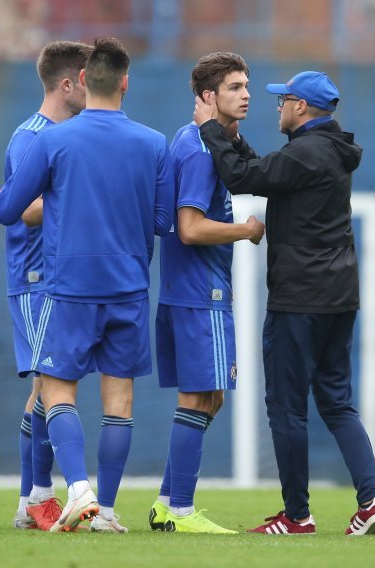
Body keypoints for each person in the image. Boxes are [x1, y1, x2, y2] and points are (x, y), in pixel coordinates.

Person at [0, 37, 174, 533]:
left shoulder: (53, 139)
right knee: (120, 402)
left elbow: (10, 211)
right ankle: (105, 512)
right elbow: (162, 221)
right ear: (127, 82)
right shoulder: (155, 143)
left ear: (86, 80)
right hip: (129, 288)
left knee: (58, 392)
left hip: (69, 288)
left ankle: (76, 488)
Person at [193, 70, 375, 536]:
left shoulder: (306, 152)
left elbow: (243, 178)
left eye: (283, 99)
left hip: (300, 298)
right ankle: (372, 501)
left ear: (301, 107)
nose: (276, 105)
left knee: (286, 407)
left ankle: (297, 515)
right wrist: (233, 140)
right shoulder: (328, 149)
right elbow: (268, 173)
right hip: (340, 297)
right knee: (339, 403)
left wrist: (210, 130)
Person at [148, 51, 264, 534]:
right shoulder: (199, 151)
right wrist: (248, 230)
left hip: (184, 291)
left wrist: (227, 131)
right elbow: (191, 228)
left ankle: (164, 503)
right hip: (202, 294)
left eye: (247, 85)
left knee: (208, 397)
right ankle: (179, 511)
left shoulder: (191, 137)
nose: (247, 94)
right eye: (236, 87)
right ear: (208, 96)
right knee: (199, 399)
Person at [3, 40, 92, 531]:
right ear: (67, 84)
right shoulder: (32, 136)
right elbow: (23, 206)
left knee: (46, 387)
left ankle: (30, 499)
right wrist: (76, 201)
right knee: (48, 386)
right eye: (85, 77)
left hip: (60, 281)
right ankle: (37, 496)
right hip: (34, 279)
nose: (91, 85)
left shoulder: (69, 134)